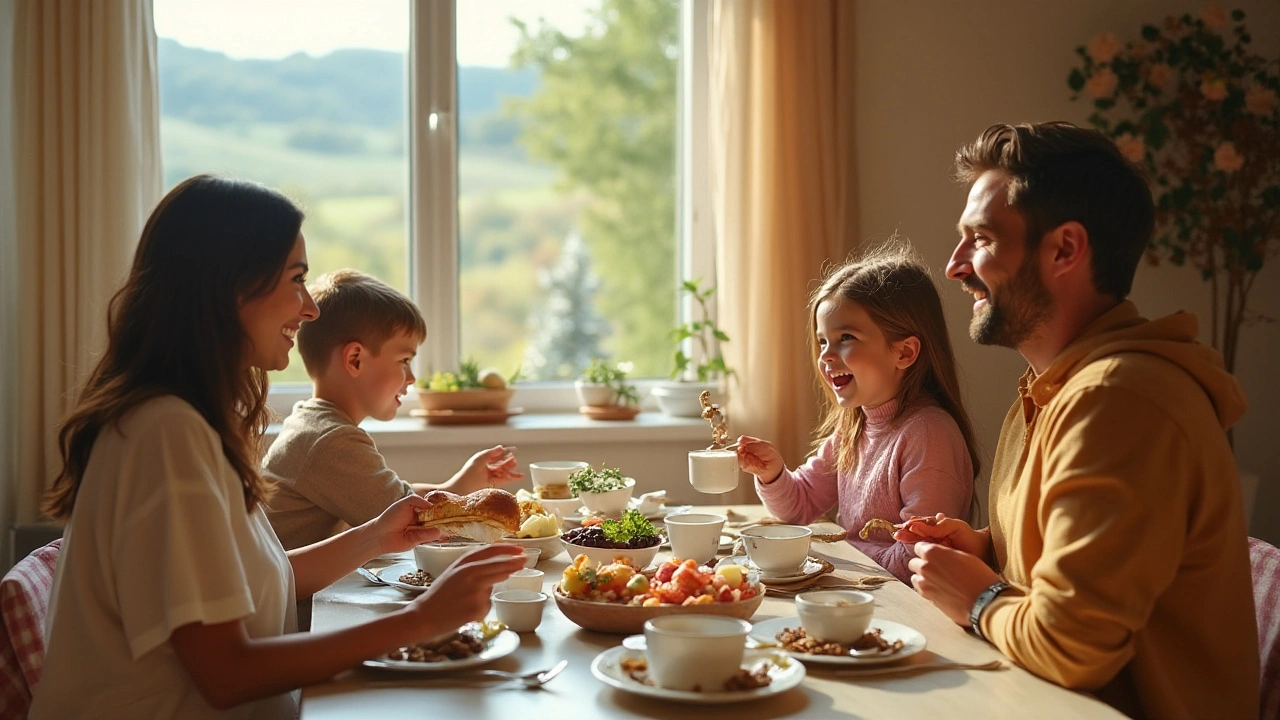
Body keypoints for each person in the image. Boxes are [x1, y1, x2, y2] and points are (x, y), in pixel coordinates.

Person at [30, 175, 526, 719]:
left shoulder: (190, 422)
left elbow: (262, 582)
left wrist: (374, 536)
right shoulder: (165, 435)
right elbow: (226, 673)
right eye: (296, 280)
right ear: (229, 286)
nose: (308, 308)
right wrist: (420, 620)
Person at [900, 122, 1259, 719]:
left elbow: (1073, 646)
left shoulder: (1120, 400)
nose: (954, 266)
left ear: (1065, 249)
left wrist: (980, 596)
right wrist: (990, 551)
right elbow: (1078, 576)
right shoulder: (1047, 393)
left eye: (980, 239)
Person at [737, 240, 980, 583]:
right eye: (822, 341)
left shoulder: (929, 434)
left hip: (905, 610)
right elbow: (799, 506)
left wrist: (835, 556)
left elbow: (918, 557)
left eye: (846, 337)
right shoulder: (853, 428)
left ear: (904, 353)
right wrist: (773, 473)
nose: (826, 355)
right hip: (863, 593)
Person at [264, 268, 521, 551]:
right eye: (404, 360)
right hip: (299, 596)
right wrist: (460, 493)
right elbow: (408, 520)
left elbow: (399, 497)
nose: (411, 378)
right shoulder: (330, 440)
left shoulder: (312, 423)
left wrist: (458, 486)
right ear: (355, 359)